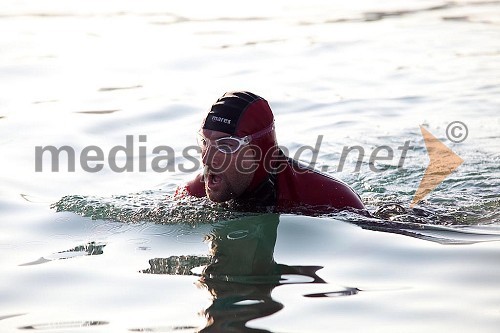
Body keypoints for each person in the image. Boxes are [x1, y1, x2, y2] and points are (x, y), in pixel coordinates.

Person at [177, 91, 365, 214]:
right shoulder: (193, 193)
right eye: (204, 141)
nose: (206, 158)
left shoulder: (330, 199)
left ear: (260, 153)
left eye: (226, 145)